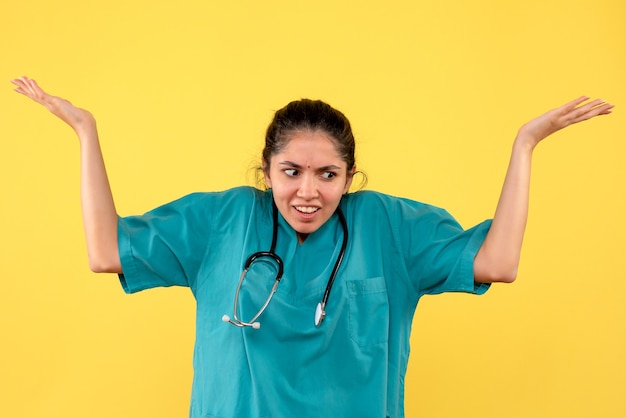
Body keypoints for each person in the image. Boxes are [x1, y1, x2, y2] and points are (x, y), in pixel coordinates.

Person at [12, 76, 613, 418]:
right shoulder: (223, 220)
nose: (307, 191)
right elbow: (105, 250)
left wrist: (526, 144)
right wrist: (86, 132)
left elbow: (498, 263)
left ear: (350, 178)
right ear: (266, 171)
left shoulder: (388, 226)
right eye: (291, 171)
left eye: (328, 175)